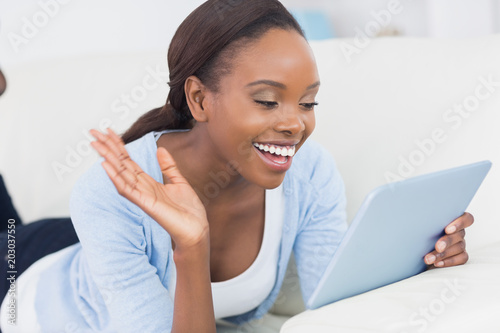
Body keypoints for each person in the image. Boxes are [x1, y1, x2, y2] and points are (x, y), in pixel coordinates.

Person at [0, 1, 473, 332]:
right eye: (267, 100)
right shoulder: (106, 195)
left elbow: (334, 298)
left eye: (308, 102)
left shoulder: (310, 174)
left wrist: (422, 258)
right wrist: (191, 246)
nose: (295, 125)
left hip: (89, 244)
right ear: (200, 99)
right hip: (23, 275)